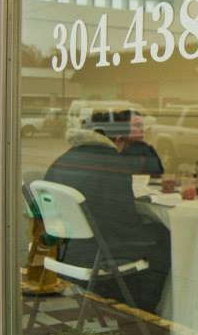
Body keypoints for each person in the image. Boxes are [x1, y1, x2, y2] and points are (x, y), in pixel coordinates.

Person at [44, 111, 171, 314]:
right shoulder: (112, 162)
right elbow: (124, 220)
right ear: (118, 138)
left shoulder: (64, 159)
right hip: (97, 254)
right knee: (164, 235)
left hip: (64, 251)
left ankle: (111, 298)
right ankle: (145, 310)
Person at [116, 109, 163, 176]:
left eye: (142, 126)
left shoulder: (146, 150)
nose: (142, 130)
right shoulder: (111, 150)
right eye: (137, 125)